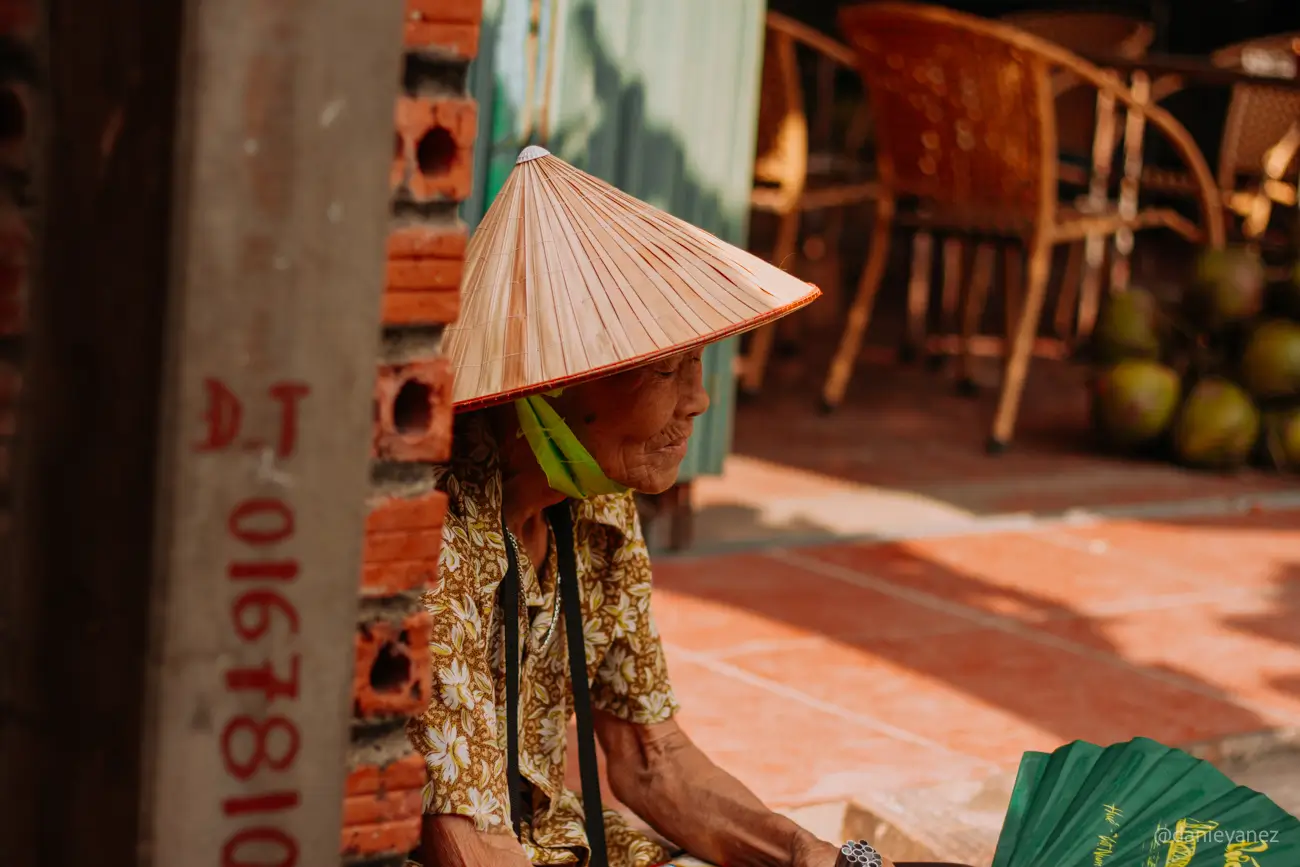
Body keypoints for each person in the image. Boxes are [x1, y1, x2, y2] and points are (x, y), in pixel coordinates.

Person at [404, 146, 913, 867]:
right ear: (553, 387)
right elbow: (468, 844)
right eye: (668, 371)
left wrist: (814, 858)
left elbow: (652, 754)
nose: (698, 400)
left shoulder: (598, 510)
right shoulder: (441, 537)